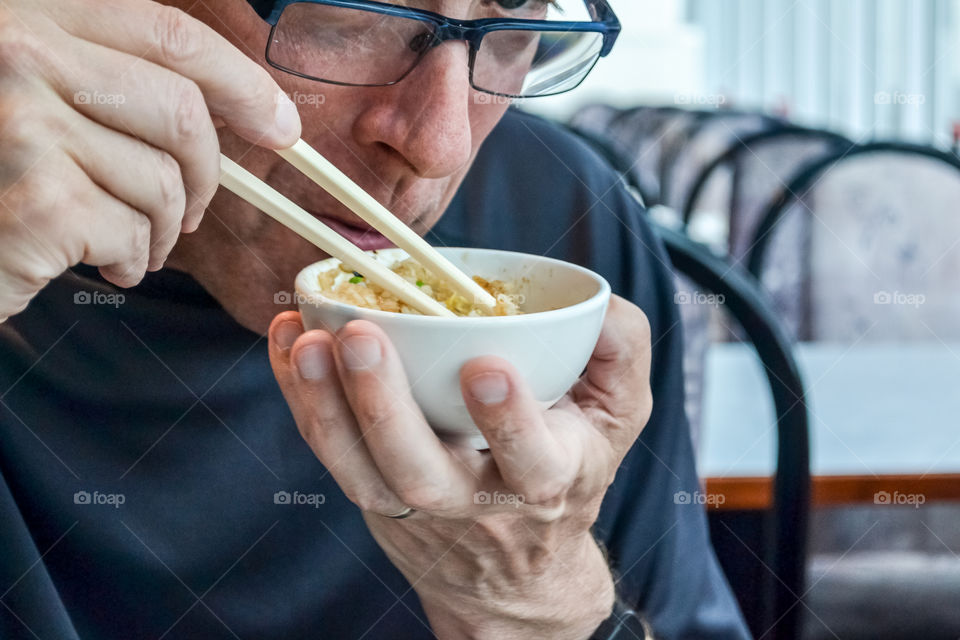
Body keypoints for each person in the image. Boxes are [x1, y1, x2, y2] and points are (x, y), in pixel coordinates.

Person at [0, 0, 750, 638]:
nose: (436, 145)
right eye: (349, 10)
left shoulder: (560, 232)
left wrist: (544, 604)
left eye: (518, 15)